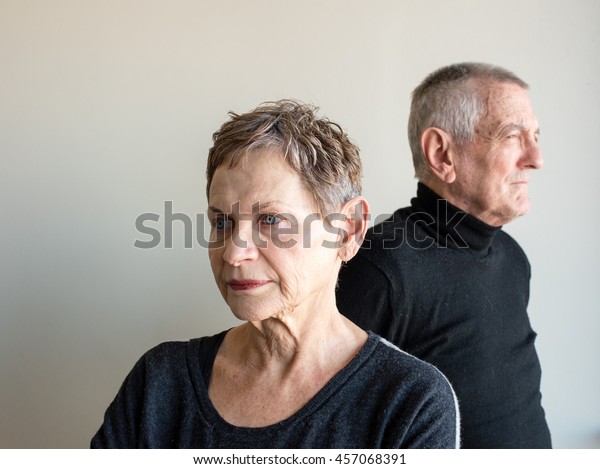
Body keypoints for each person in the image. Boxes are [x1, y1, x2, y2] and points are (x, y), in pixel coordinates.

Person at [91, 100, 459, 448]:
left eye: (271, 220)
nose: (234, 252)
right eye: (222, 222)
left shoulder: (409, 401)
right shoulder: (160, 382)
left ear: (348, 231)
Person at [336, 63, 552, 449]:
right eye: (513, 136)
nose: (536, 158)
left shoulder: (512, 258)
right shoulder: (379, 268)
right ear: (441, 154)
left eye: (535, 136)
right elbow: (333, 430)